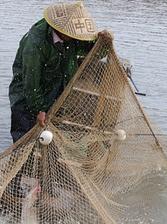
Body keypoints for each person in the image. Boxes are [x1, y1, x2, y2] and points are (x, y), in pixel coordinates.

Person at [8, 2, 101, 143]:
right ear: (60, 30)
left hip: (55, 89)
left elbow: (94, 52)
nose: (75, 37)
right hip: (26, 97)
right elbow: (31, 80)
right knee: (24, 138)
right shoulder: (35, 43)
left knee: (49, 139)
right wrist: (39, 109)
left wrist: (103, 43)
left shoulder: (71, 39)